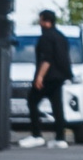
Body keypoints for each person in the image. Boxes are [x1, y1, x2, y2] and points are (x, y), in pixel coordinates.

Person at [27, 10, 74, 145]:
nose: (39, 23)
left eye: (40, 20)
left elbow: (46, 59)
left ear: (45, 21)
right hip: (60, 77)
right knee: (57, 107)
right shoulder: (61, 37)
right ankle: (60, 138)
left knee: (32, 101)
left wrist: (39, 77)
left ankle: (36, 135)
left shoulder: (46, 37)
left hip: (48, 77)